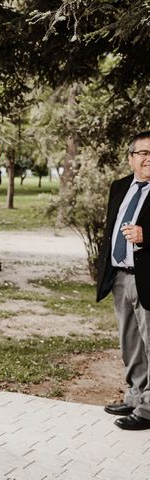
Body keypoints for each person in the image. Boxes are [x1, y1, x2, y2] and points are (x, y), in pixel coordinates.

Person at [97, 130, 150, 430]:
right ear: (131, 158)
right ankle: (135, 396)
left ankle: (149, 409)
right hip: (120, 276)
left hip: (147, 277)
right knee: (130, 342)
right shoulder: (119, 187)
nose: (148, 159)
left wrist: (146, 236)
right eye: (142, 153)